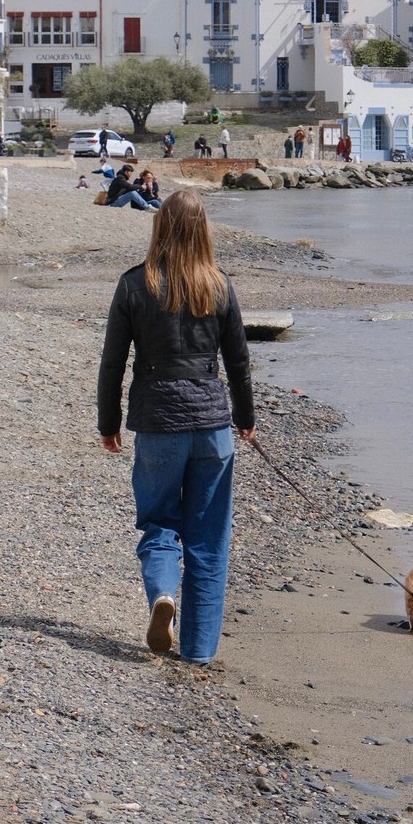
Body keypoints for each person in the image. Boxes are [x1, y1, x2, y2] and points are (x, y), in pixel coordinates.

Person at [97, 188, 255, 663]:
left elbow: (112, 363)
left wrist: (108, 423)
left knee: (159, 523)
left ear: (159, 227)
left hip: (158, 421)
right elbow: (240, 362)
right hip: (212, 425)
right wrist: (245, 418)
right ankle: (200, 652)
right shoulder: (220, 284)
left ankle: (164, 592)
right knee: (208, 538)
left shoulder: (134, 284)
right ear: (204, 229)